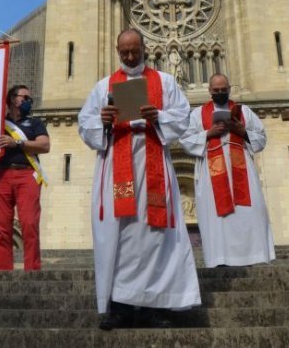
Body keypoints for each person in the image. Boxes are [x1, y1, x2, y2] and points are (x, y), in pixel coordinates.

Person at [77, 27, 200, 330]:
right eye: (124, 52)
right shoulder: (104, 85)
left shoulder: (165, 82)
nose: (130, 57)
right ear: (117, 51)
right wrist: (102, 122)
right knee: (118, 236)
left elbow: (183, 116)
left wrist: (158, 116)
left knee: (153, 236)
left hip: (153, 164)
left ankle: (153, 307)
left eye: (135, 51)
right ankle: (118, 308)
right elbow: (85, 123)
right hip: (115, 169)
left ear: (145, 48)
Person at [178, 73, 274, 267]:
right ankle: (220, 259)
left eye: (223, 90)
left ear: (229, 89)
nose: (220, 93)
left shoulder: (244, 112)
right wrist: (209, 133)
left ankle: (253, 256)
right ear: (209, 91)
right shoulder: (198, 114)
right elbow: (185, 140)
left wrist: (242, 131)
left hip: (242, 169)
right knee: (217, 215)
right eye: (216, 90)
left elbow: (262, 138)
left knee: (250, 211)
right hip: (211, 172)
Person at [0, 84, 49, 271]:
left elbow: (44, 145)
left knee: (30, 224)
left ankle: (32, 271)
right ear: (13, 99)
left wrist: (17, 143)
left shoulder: (35, 123)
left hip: (26, 175)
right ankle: (4, 272)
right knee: (1, 228)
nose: (28, 101)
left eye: (29, 98)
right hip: (0, 175)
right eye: (24, 97)